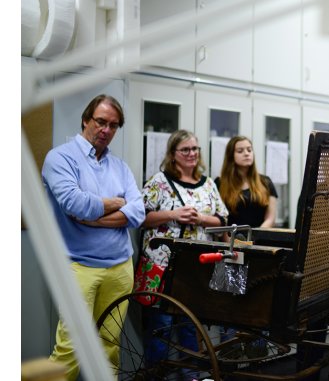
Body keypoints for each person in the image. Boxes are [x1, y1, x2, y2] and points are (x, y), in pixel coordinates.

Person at [42, 94, 145, 380]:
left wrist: (96, 216)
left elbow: (139, 212)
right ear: (86, 120)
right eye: (101, 122)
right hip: (78, 266)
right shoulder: (59, 158)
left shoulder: (120, 167)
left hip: (120, 267)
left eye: (113, 125)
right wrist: (117, 202)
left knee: (109, 346)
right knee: (70, 347)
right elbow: (75, 205)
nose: (106, 130)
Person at [138, 129, 229, 373]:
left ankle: (192, 377)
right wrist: (173, 214)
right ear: (173, 154)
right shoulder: (159, 181)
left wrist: (201, 219)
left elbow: (223, 219)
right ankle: (155, 376)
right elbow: (140, 217)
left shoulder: (208, 184)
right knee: (161, 327)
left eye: (195, 149)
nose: (191, 154)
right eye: (185, 149)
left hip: (196, 268)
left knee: (191, 327)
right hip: (162, 268)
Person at [215, 135, 278, 228]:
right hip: (231, 239)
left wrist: (255, 237)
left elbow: (270, 218)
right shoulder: (220, 183)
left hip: (260, 239)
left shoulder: (265, 182)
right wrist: (229, 241)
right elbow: (220, 219)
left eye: (249, 150)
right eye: (240, 151)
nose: (246, 153)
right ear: (231, 156)